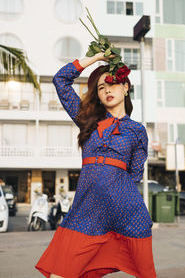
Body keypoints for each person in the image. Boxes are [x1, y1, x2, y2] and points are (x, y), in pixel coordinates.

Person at [35, 52, 157, 278]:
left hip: (126, 210)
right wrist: (97, 57)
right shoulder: (86, 120)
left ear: (126, 87)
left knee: (144, 272)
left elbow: (135, 174)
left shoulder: (138, 131)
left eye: (112, 83)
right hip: (87, 208)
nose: (107, 90)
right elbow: (60, 80)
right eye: (101, 88)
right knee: (65, 270)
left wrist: (117, 194)